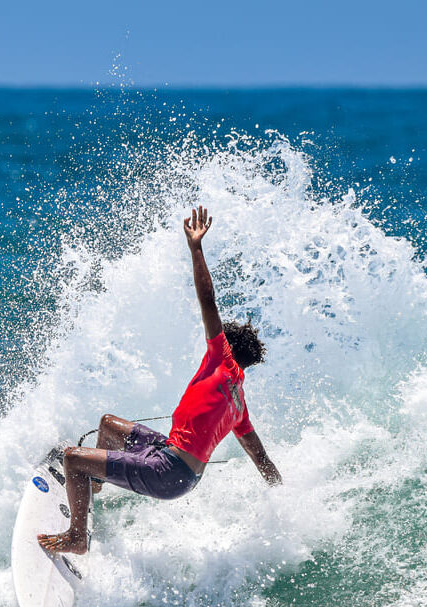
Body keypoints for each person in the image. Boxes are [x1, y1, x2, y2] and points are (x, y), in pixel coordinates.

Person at [38, 206, 282, 555]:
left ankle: (77, 537)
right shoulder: (239, 403)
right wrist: (286, 501)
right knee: (108, 425)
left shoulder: (221, 358)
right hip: (177, 466)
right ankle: (95, 485)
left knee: (72, 457)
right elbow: (262, 460)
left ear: (228, 345)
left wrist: (195, 247)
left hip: (167, 471)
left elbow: (208, 301)